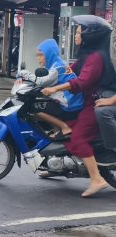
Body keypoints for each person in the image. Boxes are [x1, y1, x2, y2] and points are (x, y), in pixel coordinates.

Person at [42, 15, 116, 197]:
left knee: (78, 138)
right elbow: (69, 70)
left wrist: (54, 89)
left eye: (78, 32)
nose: (75, 35)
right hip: (87, 101)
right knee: (66, 131)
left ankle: (96, 179)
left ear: (90, 35)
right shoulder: (88, 55)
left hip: (95, 103)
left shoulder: (96, 58)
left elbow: (81, 82)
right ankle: (58, 168)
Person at [18, 39, 82, 139]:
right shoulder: (55, 64)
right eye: (37, 55)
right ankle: (57, 130)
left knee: (34, 108)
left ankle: (64, 128)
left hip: (70, 102)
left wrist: (24, 73)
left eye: (41, 55)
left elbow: (42, 81)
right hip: (68, 99)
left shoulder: (57, 67)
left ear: (49, 54)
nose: (38, 58)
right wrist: (20, 76)